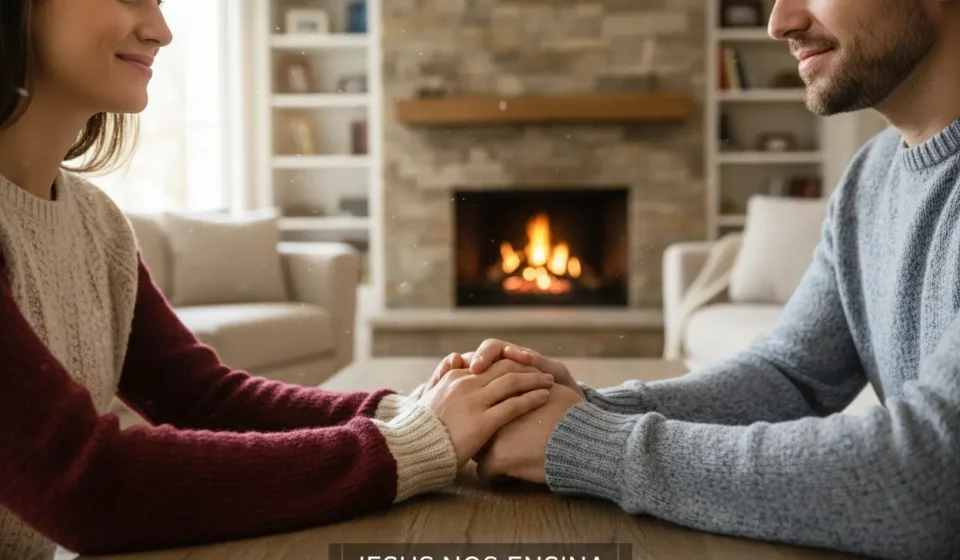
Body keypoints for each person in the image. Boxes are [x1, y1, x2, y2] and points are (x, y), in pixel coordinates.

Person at [0, 1, 557, 558]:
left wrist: (424, 411)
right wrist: (415, 442)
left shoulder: (98, 225)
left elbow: (205, 398)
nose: (161, 31)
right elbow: (86, 484)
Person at [460, 1, 960, 559]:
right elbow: (790, 376)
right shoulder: (871, 176)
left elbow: (931, 481)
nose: (780, 22)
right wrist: (582, 408)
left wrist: (582, 442)